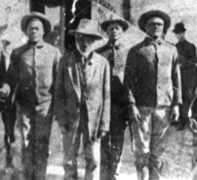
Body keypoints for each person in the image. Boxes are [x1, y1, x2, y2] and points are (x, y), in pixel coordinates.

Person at [0, 12, 61, 180]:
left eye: (37, 28)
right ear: (26, 31)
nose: (34, 31)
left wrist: (57, 105)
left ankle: (40, 176)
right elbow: (10, 78)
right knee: (25, 143)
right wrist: (5, 87)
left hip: (45, 106)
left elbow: (59, 81)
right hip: (24, 105)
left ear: (43, 31)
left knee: (41, 143)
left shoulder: (54, 53)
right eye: (30, 28)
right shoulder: (18, 53)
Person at [124, 10, 182, 180]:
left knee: (158, 150)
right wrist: (132, 105)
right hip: (142, 107)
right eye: (152, 24)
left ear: (164, 28)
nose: (156, 27)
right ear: (145, 27)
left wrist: (177, 105)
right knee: (142, 151)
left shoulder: (171, 50)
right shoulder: (136, 51)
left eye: (159, 24)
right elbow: (128, 81)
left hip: (164, 107)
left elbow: (176, 78)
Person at [54, 18, 110, 180]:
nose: (84, 43)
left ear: (94, 41)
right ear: (76, 39)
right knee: (69, 160)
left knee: (93, 159)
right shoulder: (65, 62)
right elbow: (58, 94)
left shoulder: (102, 64)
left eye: (88, 39)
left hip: (94, 120)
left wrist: (104, 124)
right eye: (80, 38)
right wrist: (61, 119)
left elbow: (106, 96)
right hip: (71, 118)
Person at [96, 15, 129, 180]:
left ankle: (114, 175)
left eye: (117, 28)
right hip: (103, 104)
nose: (114, 31)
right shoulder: (99, 53)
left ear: (122, 31)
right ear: (106, 32)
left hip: (121, 104)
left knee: (117, 142)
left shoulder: (129, 52)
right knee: (103, 140)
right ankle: (103, 175)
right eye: (111, 28)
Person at [172, 22, 197, 130]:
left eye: (180, 32)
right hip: (178, 76)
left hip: (188, 77)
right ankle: (179, 119)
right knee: (178, 97)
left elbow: (193, 63)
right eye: (176, 33)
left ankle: (184, 121)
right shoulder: (175, 47)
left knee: (187, 98)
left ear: (184, 33)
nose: (178, 35)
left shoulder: (190, 46)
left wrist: (182, 61)